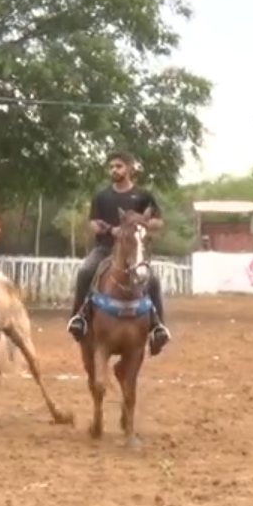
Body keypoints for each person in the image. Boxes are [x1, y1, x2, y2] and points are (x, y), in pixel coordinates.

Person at [66, 150, 172, 356]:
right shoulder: (102, 196)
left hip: (134, 251)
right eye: (112, 167)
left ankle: (158, 327)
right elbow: (93, 223)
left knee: (153, 280)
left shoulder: (143, 196)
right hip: (105, 249)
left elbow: (159, 221)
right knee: (85, 270)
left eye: (119, 166)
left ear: (130, 168)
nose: (114, 170)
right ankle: (78, 317)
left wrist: (142, 223)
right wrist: (110, 229)